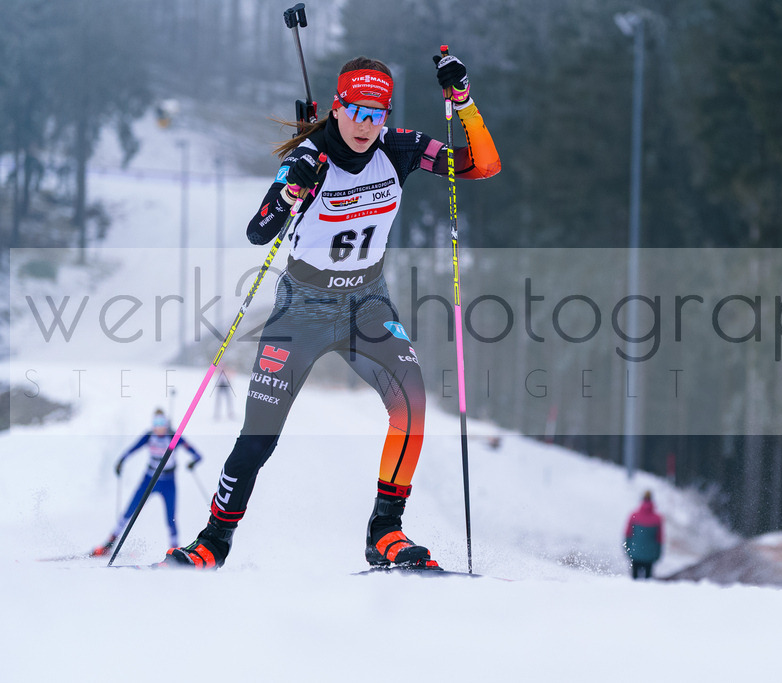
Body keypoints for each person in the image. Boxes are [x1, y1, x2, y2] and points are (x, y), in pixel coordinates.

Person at [158, 52, 499, 570]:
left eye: (376, 113)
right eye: (356, 111)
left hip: (367, 305)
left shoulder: (400, 148)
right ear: (337, 107)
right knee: (259, 435)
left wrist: (464, 101)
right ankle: (213, 541)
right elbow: (259, 231)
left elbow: (482, 165)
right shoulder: (310, 157)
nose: (365, 124)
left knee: (411, 404)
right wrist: (290, 189)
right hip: (303, 309)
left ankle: (385, 532)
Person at [91, 409, 202, 555]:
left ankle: (175, 550)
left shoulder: (173, 437)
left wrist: (193, 463)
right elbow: (132, 449)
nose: (158, 426)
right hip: (149, 480)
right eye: (156, 423)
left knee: (171, 519)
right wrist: (121, 461)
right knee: (129, 511)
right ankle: (109, 545)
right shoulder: (149, 436)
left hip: (168, 482)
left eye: (161, 422)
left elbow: (197, 455)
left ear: (166, 423)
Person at [624, 491, 663, 579]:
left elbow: (628, 535)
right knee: (647, 581)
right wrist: (658, 555)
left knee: (634, 580)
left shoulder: (634, 516)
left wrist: (627, 551)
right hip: (650, 556)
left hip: (635, 554)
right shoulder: (657, 519)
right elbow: (659, 539)